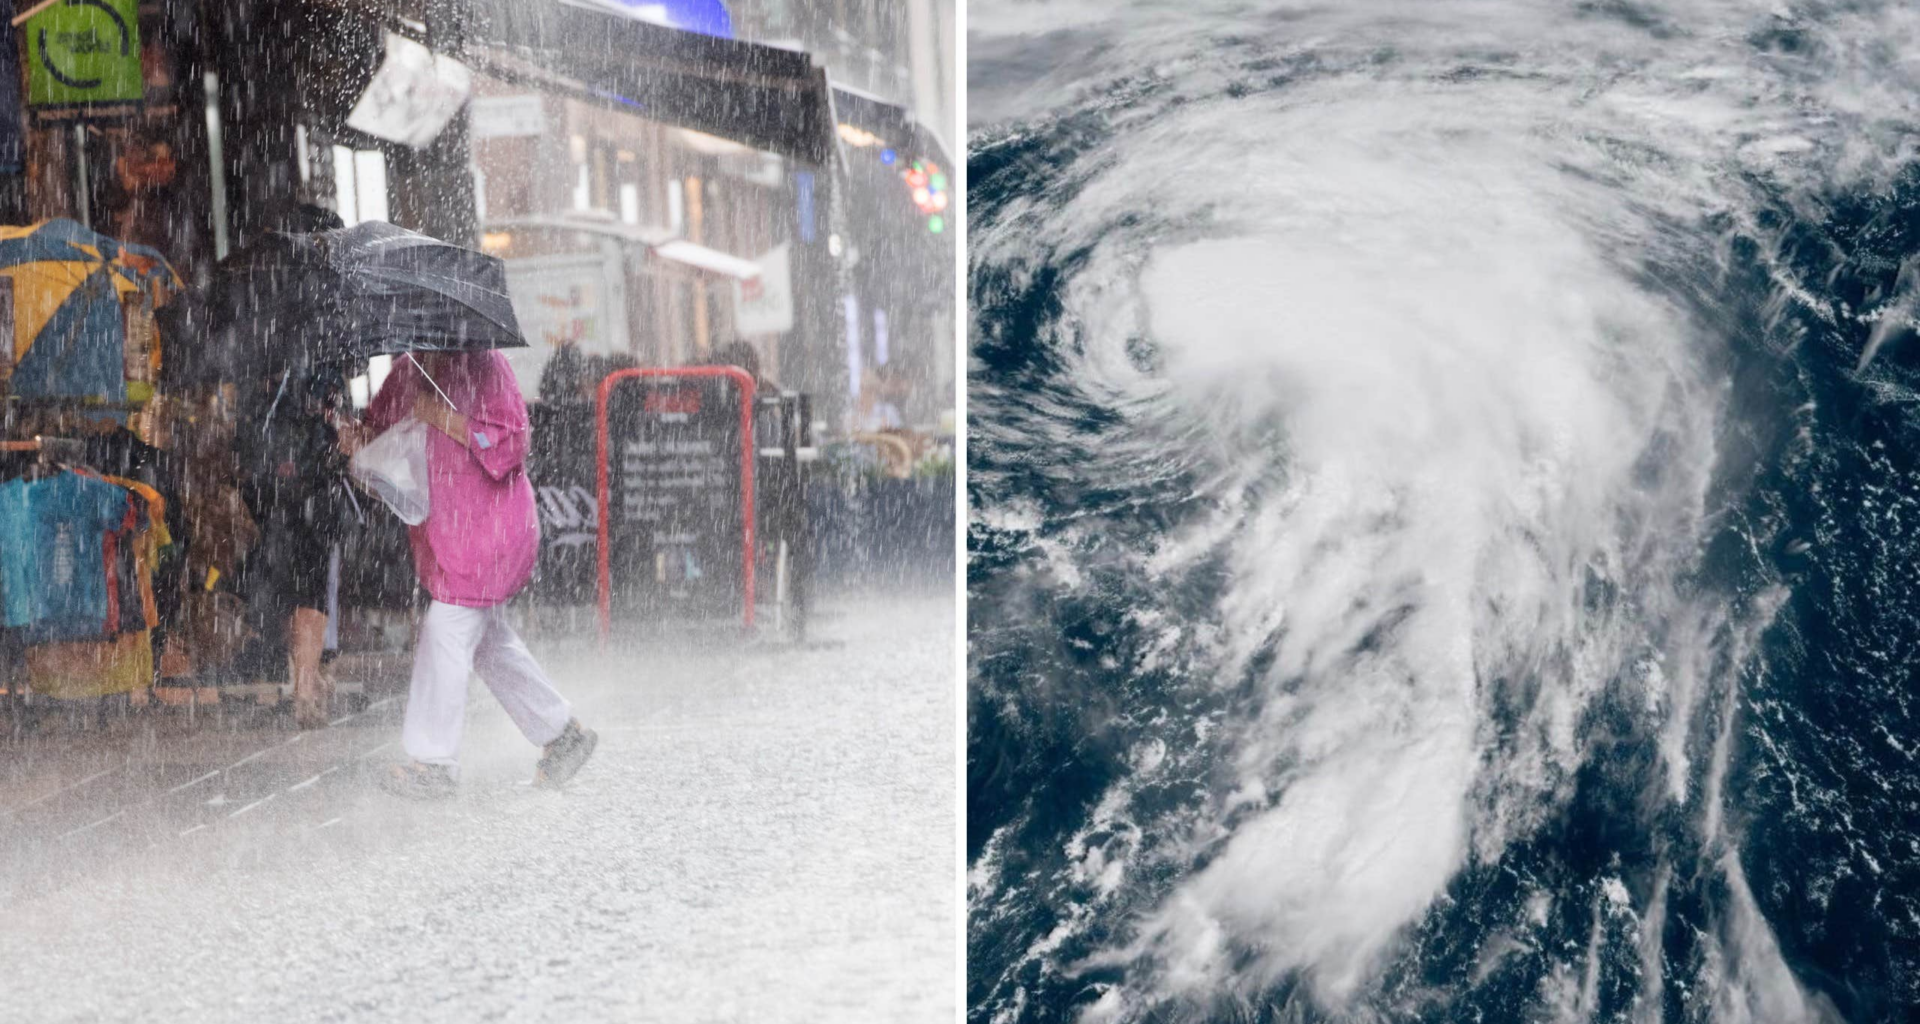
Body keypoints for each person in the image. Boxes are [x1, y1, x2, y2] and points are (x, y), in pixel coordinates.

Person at [339, 349, 597, 798]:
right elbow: (384, 447)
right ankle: (561, 733)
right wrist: (356, 443)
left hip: (492, 530)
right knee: (489, 644)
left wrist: (440, 416)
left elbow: (511, 443)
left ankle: (433, 763)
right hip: (445, 537)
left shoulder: (486, 365)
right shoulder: (405, 372)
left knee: (447, 629)